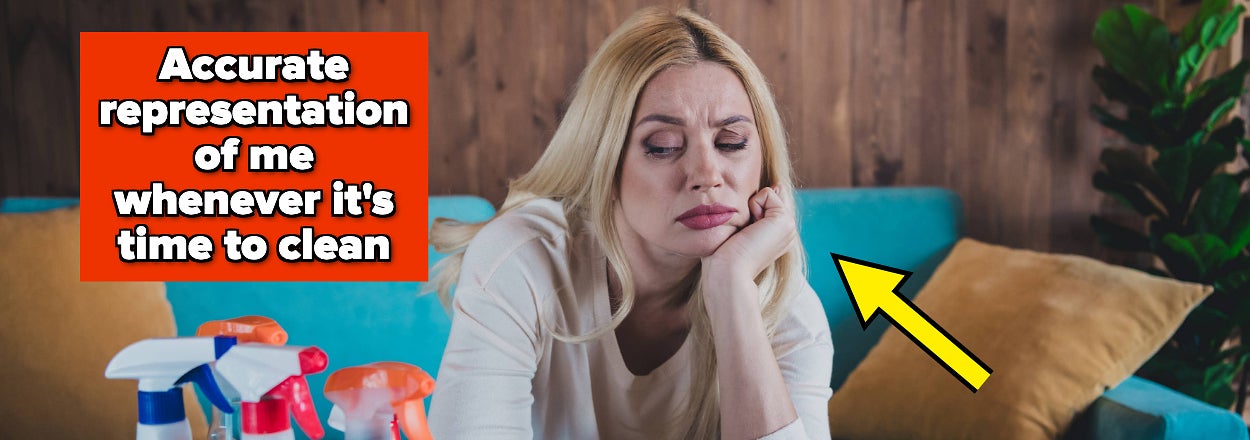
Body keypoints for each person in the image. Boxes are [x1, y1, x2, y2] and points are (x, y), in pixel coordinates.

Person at [427, 7, 832, 440]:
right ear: (604, 164)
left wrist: (732, 291)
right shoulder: (521, 260)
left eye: (731, 142)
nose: (707, 173)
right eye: (663, 146)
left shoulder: (788, 314)